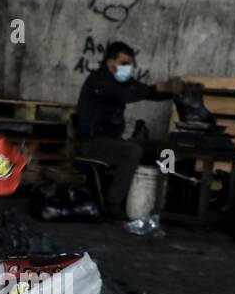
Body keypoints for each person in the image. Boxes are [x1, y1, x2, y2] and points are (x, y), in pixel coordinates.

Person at [75, 42, 183, 219]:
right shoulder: (99, 80)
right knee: (132, 151)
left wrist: (172, 91)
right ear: (110, 62)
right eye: (124, 63)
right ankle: (113, 204)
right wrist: (162, 87)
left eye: (130, 64)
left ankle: (159, 205)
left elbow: (147, 92)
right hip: (92, 143)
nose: (128, 68)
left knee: (162, 148)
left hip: (113, 141)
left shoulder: (121, 82)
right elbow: (123, 95)